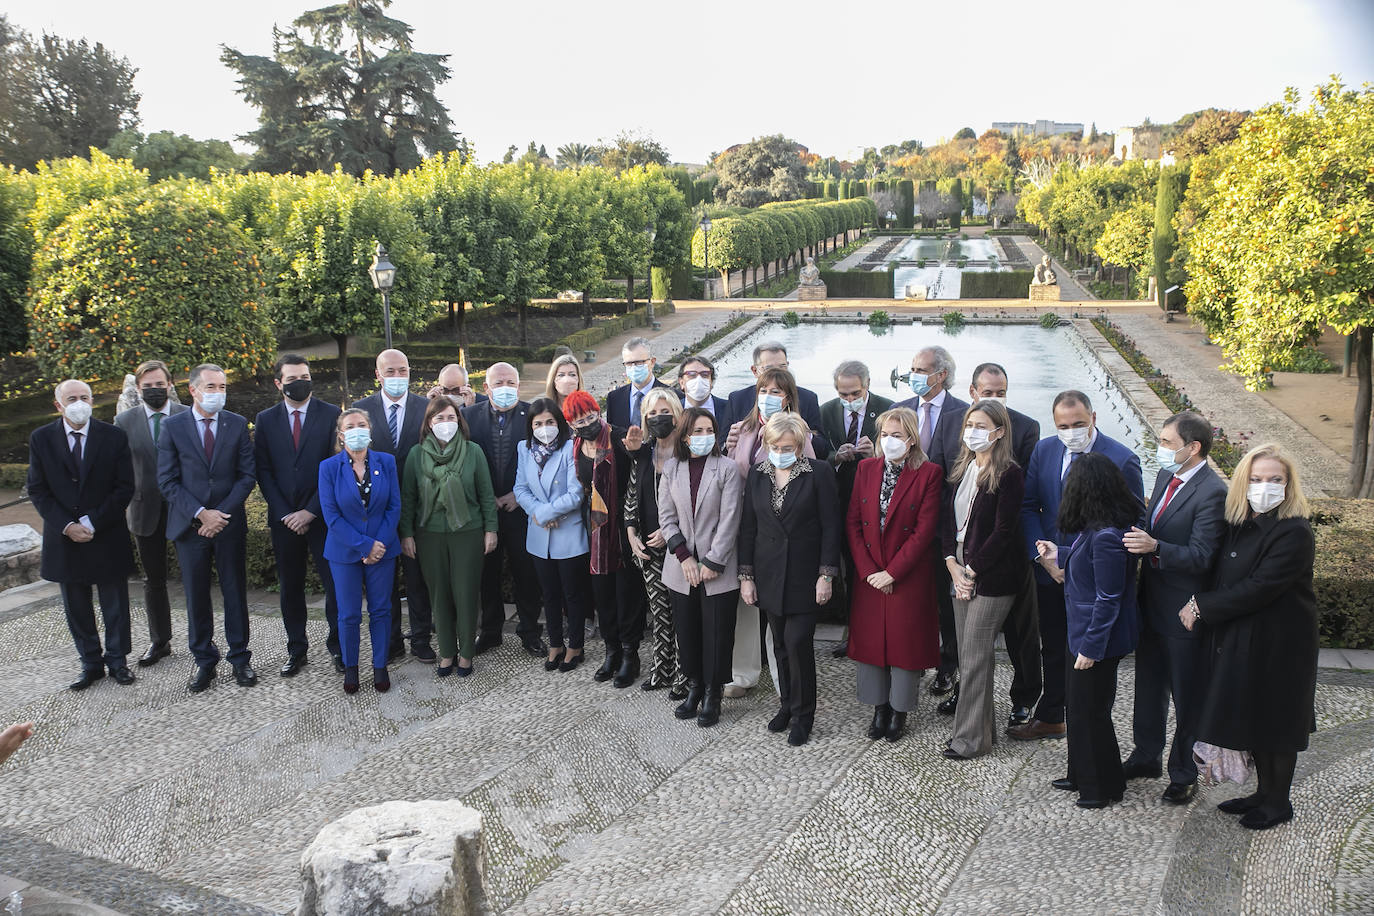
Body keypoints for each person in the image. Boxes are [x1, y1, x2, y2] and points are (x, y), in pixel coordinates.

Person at [1186, 443, 1317, 831]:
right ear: (1244, 482)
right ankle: (1263, 793)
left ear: (1289, 484)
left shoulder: (1293, 531)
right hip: (1246, 636)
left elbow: (1259, 587)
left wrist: (1199, 606)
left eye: (1275, 480)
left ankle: (1278, 802)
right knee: (1254, 716)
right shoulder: (1240, 523)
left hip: (1281, 643)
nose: (1265, 487)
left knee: (1277, 722)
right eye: (1257, 479)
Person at [1012, 390, 1143, 741]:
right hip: (1050, 571)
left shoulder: (1122, 458)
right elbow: (1028, 507)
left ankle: (1089, 726)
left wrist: (1078, 562)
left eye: (1079, 424)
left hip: (1094, 574)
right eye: (1063, 426)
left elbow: (1134, 522)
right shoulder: (1045, 450)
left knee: (1091, 654)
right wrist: (1045, 559)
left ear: (1094, 418)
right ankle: (1052, 714)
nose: (1071, 432)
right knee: (1054, 645)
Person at [1121, 411, 1228, 804]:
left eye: (1166, 443)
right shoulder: (1167, 476)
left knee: (1187, 694)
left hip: (1184, 611)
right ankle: (1145, 756)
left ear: (1193, 447)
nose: (1160, 449)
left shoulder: (1213, 492)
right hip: (1150, 603)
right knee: (1148, 687)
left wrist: (1157, 548)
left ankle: (1184, 772)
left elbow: (1202, 556)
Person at [1038, 453, 1141, 809]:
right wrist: (1060, 552)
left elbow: (1109, 597)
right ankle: (1082, 774)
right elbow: (1088, 563)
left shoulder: (1107, 536)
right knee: (1079, 708)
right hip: (1079, 633)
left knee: (1090, 712)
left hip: (1096, 640)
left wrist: (1091, 648)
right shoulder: (1096, 530)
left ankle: (1100, 787)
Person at [739, 413, 842, 747]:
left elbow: (831, 527)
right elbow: (748, 528)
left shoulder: (819, 473)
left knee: (798, 644)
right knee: (780, 645)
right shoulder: (757, 474)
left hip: (804, 577)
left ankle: (804, 715)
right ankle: (786, 705)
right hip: (768, 577)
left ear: (799, 447)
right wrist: (747, 577)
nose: (781, 451)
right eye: (774, 446)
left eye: (788, 447)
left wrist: (826, 575)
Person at [28, 379, 137, 690]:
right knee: (76, 605)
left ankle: (118, 661)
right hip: (64, 537)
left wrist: (92, 522)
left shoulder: (113, 436)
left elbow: (124, 487)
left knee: (115, 603)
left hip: (106, 532)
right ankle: (90, 663)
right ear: (58, 405)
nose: (79, 402)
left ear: (92, 400)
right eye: (72, 398)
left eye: (84, 397)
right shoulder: (42, 438)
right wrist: (68, 525)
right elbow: (38, 489)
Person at [158, 363, 258, 693]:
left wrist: (220, 515)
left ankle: (240, 658)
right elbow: (167, 480)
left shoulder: (236, 424)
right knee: (196, 596)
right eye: (212, 387)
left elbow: (247, 476)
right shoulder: (173, 427)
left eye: (223, 387)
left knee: (234, 592)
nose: (218, 393)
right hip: (190, 527)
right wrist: (201, 514)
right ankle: (204, 661)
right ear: (194, 390)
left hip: (228, 525)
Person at [845, 406, 942, 743]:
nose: (889, 441)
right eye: (885, 434)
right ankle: (878, 707)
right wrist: (870, 571)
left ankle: (899, 710)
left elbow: (924, 531)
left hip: (907, 576)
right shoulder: (866, 468)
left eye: (897, 435)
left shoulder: (929, 473)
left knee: (905, 644)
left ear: (912, 439)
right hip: (871, 575)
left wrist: (893, 573)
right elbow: (854, 522)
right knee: (872, 643)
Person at [940, 400, 1028, 759]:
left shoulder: (1009, 474)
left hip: (991, 576)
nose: (973, 431)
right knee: (967, 654)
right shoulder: (962, 468)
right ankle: (981, 729)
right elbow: (946, 523)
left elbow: (1004, 532)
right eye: (969, 424)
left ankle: (969, 741)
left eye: (981, 425)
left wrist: (971, 572)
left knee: (976, 656)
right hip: (958, 567)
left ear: (999, 432)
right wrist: (952, 565)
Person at [723, 367, 816, 699]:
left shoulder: (799, 433)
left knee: (778, 609)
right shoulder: (742, 429)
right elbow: (729, 476)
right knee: (746, 606)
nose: (768, 397)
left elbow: (810, 485)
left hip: (783, 534)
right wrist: (726, 446)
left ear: (788, 397)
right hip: (747, 527)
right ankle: (743, 674)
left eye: (776, 392)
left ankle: (784, 683)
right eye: (764, 390)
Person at [254, 355, 343, 677]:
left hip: (322, 518)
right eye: (292, 378)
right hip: (283, 521)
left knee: (334, 587)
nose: (300, 382)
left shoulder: (331, 414)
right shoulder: (265, 419)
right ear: (279, 383)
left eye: (304, 376)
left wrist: (310, 510)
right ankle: (296, 650)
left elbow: (335, 469)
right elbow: (263, 470)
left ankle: (339, 648)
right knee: (290, 588)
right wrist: (285, 513)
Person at [400, 397, 499, 678]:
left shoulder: (473, 452)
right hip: (429, 534)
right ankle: (446, 652)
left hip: (467, 532)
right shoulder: (416, 455)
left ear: (460, 421)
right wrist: (406, 534)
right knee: (439, 594)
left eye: (451, 417)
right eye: (439, 418)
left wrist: (491, 529)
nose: (446, 423)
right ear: (429, 423)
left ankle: (466, 653)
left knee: (466, 593)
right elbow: (408, 498)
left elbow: (486, 495)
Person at [657, 407, 742, 726]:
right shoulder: (672, 469)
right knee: (688, 631)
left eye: (709, 431)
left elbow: (731, 518)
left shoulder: (727, 468)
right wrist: (684, 557)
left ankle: (713, 693)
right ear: (685, 436)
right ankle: (693, 686)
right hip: (682, 568)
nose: (704, 437)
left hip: (717, 568)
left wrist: (712, 561)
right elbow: (666, 517)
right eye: (697, 432)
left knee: (718, 633)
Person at [966, 362, 1041, 727]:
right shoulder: (961, 426)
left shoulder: (1025, 427)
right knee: (966, 636)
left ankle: (1024, 698)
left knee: (1021, 632)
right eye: (988, 392)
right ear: (973, 392)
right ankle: (963, 690)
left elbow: (1019, 493)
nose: (995, 398)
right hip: (969, 548)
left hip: (1009, 547)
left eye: (1001, 392)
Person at [894, 345, 970, 700]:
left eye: (921, 369)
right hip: (903, 526)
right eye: (912, 368)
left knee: (946, 599)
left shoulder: (963, 413)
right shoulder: (901, 411)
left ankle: (948, 666)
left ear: (941, 375)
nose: (914, 375)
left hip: (946, 524)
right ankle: (911, 660)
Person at [353, 349, 436, 665]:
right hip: (376, 512)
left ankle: (420, 638)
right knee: (383, 582)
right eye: (390, 371)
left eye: (402, 370)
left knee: (418, 579)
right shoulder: (361, 411)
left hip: (418, 507)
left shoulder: (425, 408)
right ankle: (390, 641)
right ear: (378, 374)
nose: (397, 376)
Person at [562, 390, 646, 687]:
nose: (588, 423)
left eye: (591, 416)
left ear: (599, 413)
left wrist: (636, 451)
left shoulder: (619, 438)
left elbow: (641, 471)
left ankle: (629, 654)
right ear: (571, 424)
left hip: (624, 529)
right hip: (597, 530)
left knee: (627, 594)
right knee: (603, 594)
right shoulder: (575, 447)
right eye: (580, 419)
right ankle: (611, 651)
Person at [463, 362, 546, 658]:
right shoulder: (468, 416)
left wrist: (516, 494)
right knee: (487, 573)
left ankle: (529, 631)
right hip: (484, 513)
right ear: (485, 388)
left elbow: (543, 460)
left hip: (521, 510)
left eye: (510, 382)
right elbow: (463, 462)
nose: (505, 387)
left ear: (519, 386)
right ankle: (490, 632)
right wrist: (488, 499)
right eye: (498, 383)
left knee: (526, 573)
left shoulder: (534, 416)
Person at [319, 409, 401, 694]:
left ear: (370, 430)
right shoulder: (328, 468)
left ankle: (380, 666)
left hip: (383, 549)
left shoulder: (387, 462)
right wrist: (364, 546)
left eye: (362, 425)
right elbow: (331, 516)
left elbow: (394, 506)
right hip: (344, 553)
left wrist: (378, 545)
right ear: (341, 435)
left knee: (381, 610)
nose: (356, 430)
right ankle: (351, 668)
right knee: (348, 614)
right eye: (350, 426)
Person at [112, 359, 187, 668]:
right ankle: (160, 640)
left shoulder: (186, 415)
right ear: (138, 389)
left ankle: (202, 639)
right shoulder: (125, 420)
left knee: (193, 577)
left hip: (184, 507)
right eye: (148, 386)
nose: (154, 390)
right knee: (153, 579)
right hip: (145, 509)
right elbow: (118, 467)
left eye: (160, 384)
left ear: (170, 385)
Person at [820, 360, 893, 659]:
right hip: (838, 501)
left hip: (876, 504)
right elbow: (816, 450)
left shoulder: (888, 408)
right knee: (848, 571)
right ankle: (852, 635)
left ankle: (880, 633)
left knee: (877, 569)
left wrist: (875, 451)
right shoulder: (826, 410)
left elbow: (903, 450)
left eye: (854, 393)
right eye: (843, 393)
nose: (849, 399)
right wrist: (836, 456)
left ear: (868, 385)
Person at [514, 398, 591, 672]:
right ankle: (555, 643)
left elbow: (577, 492)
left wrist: (546, 514)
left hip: (567, 532)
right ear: (530, 426)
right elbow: (520, 488)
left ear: (559, 423)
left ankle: (575, 646)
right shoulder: (524, 449)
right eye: (538, 424)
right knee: (549, 594)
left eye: (549, 422)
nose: (544, 428)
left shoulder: (572, 447)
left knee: (573, 595)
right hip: (539, 534)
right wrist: (539, 513)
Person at [625, 388, 686, 697]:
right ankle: (660, 669)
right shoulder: (644, 453)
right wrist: (632, 535)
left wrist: (670, 531)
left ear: (676, 414)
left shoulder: (687, 452)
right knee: (659, 613)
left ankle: (683, 674)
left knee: (681, 613)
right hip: (648, 550)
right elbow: (632, 497)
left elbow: (694, 503)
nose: (659, 418)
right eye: (652, 413)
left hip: (680, 546)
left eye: (665, 412)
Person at [724, 340, 827, 451]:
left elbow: (823, 450)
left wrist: (806, 435)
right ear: (755, 371)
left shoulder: (807, 398)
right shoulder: (738, 399)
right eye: (769, 369)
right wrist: (728, 444)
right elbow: (722, 447)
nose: (776, 374)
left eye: (782, 367)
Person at [606, 337, 670, 429]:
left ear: (652, 362)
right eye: (628, 363)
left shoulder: (671, 396)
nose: (634, 367)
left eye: (639, 362)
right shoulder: (614, 398)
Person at [676, 355, 729, 439]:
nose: (699, 379)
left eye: (705, 375)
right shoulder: (674, 410)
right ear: (681, 382)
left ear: (711, 382)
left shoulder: (729, 408)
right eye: (691, 374)